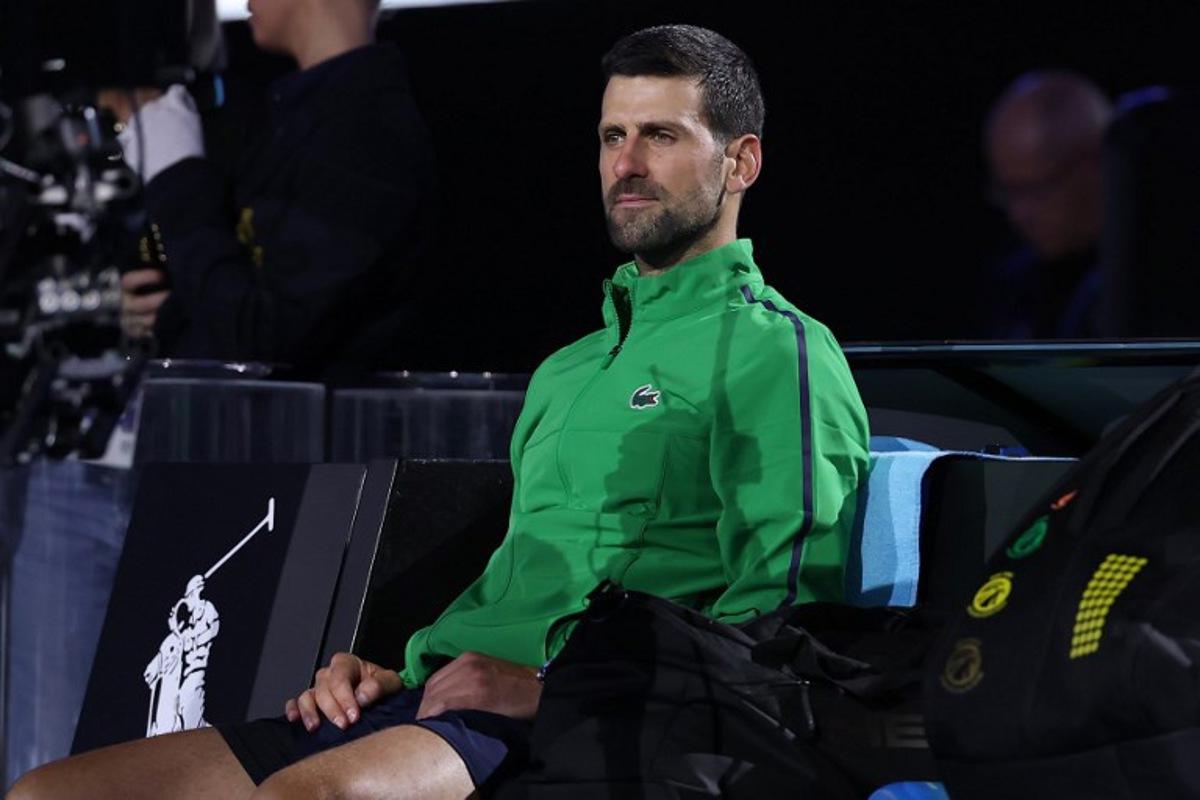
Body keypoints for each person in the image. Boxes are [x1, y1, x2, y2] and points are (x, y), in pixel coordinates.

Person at [8, 24, 869, 800]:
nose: (627, 163)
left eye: (661, 136)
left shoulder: (777, 351)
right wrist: (393, 666)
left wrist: (544, 691)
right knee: (52, 792)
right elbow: (517, 580)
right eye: (613, 135)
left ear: (741, 162)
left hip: (575, 716)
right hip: (439, 699)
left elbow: (784, 630)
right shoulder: (569, 369)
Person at [109, 0, 434, 374]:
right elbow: (249, 306)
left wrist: (176, 174)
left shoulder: (363, 136)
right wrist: (164, 316)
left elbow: (262, 344)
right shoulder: (305, 120)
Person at [982, 71, 1112, 339]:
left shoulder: (1145, 279)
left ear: (1096, 164)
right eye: (1008, 191)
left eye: (1034, 190)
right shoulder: (1014, 285)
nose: (1018, 215)